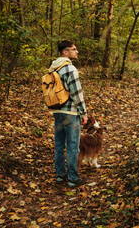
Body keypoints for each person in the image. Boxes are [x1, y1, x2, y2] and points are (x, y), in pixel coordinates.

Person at [50, 40, 88, 187]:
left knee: (59, 144)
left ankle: (60, 175)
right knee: (73, 145)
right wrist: (83, 113)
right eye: (74, 49)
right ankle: (73, 178)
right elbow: (77, 94)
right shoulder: (70, 69)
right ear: (65, 52)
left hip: (57, 111)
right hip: (70, 113)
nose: (76, 51)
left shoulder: (53, 68)